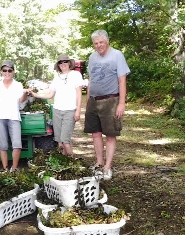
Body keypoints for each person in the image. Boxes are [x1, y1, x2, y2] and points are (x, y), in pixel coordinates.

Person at [83, 29, 130, 180]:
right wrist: (88, 98)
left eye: (101, 42)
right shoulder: (92, 57)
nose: (99, 45)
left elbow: (122, 81)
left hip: (111, 100)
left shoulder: (117, 55)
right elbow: (91, 78)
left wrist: (121, 103)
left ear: (107, 41)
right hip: (93, 101)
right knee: (95, 133)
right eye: (96, 43)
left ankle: (107, 167)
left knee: (110, 134)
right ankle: (99, 163)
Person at [29, 54, 83, 156]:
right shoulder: (56, 78)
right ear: (58, 65)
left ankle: (73, 163)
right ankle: (63, 163)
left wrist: (78, 110)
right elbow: (50, 95)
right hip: (57, 111)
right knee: (59, 141)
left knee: (65, 141)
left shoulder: (76, 75)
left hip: (70, 111)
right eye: (60, 62)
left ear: (69, 63)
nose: (63, 64)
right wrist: (35, 94)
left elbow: (79, 94)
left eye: (65, 62)